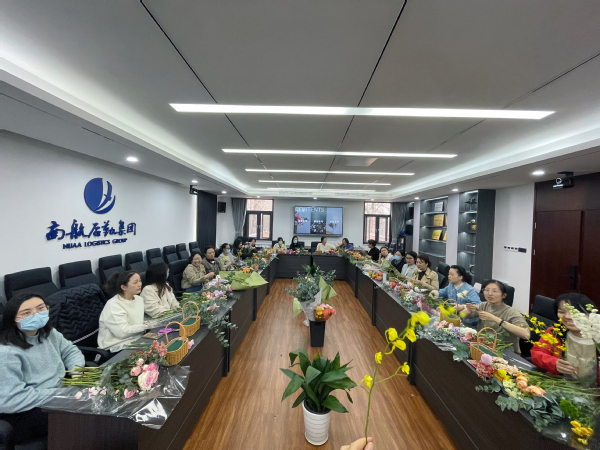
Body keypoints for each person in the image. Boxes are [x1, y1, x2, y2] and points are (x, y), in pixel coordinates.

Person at [0, 292, 84, 447]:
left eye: (40, 308)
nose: (36, 314)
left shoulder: (49, 333)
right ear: (13, 318)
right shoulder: (6, 352)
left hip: (55, 393)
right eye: (26, 313)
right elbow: (12, 399)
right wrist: (63, 394)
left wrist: (77, 373)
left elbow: (70, 351)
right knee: (86, 419)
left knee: (100, 396)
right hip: (26, 409)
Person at [531, 293, 599, 385]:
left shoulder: (597, 337)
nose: (567, 317)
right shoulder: (555, 332)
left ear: (590, 314)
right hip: (560, 385)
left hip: (593, 391)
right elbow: (536, 353)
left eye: (574, 312)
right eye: (562, 312)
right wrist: (554, 363)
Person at [462, 280, 529, 353]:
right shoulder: (484, 305)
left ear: (504, 295)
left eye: (495, 291)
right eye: (487, 290)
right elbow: (463, 315)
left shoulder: (512, 312)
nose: (490, 294)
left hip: (504, 352)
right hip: (483, 347)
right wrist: (468, 310)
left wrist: (495, 319)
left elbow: (526, 334)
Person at [98, 271, 148, 353]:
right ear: (123, 287)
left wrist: (146, 325)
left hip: (137, 338)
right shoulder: (113, 305)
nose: (139, 284)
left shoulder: (139, 299)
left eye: (140, 281)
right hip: (118, 345)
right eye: (135, 282)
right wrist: (146, 326)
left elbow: (137, 321)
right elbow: (122, 332)